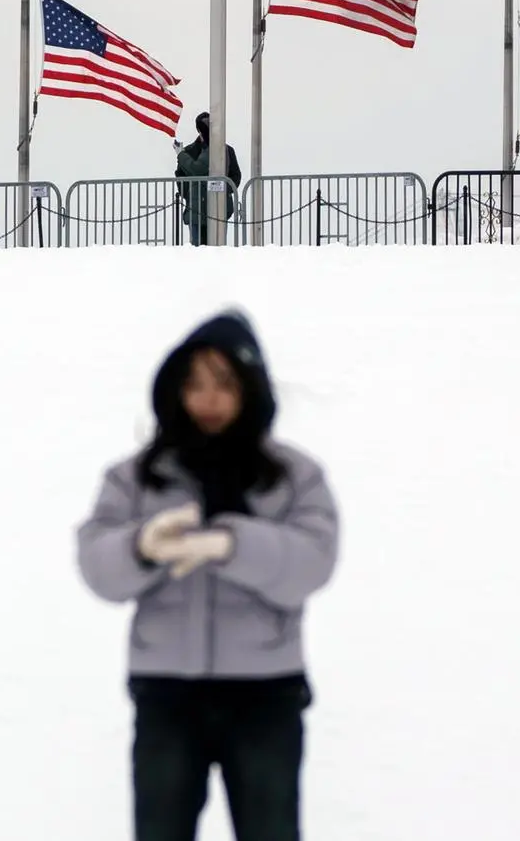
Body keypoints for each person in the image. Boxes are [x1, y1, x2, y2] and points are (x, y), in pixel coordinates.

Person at [77, 311, 339, 841]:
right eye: (193, 384)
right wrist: (141, 547)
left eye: (224, 383)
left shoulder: (293, 476)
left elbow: (313, 561)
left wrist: (232, 544)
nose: (209, 399)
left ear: (250, 390)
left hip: (265, 697)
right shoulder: (135, 477)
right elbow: (98, 566)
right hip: (167, 696)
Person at [176, 112, 243, 246]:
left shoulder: (227, 150)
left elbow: (235, 176)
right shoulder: (190, 150)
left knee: (218, 250)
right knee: (198, 251)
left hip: (219, 208)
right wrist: (189, 196)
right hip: (196, 210)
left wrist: (223, 190)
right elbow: (181, 177)